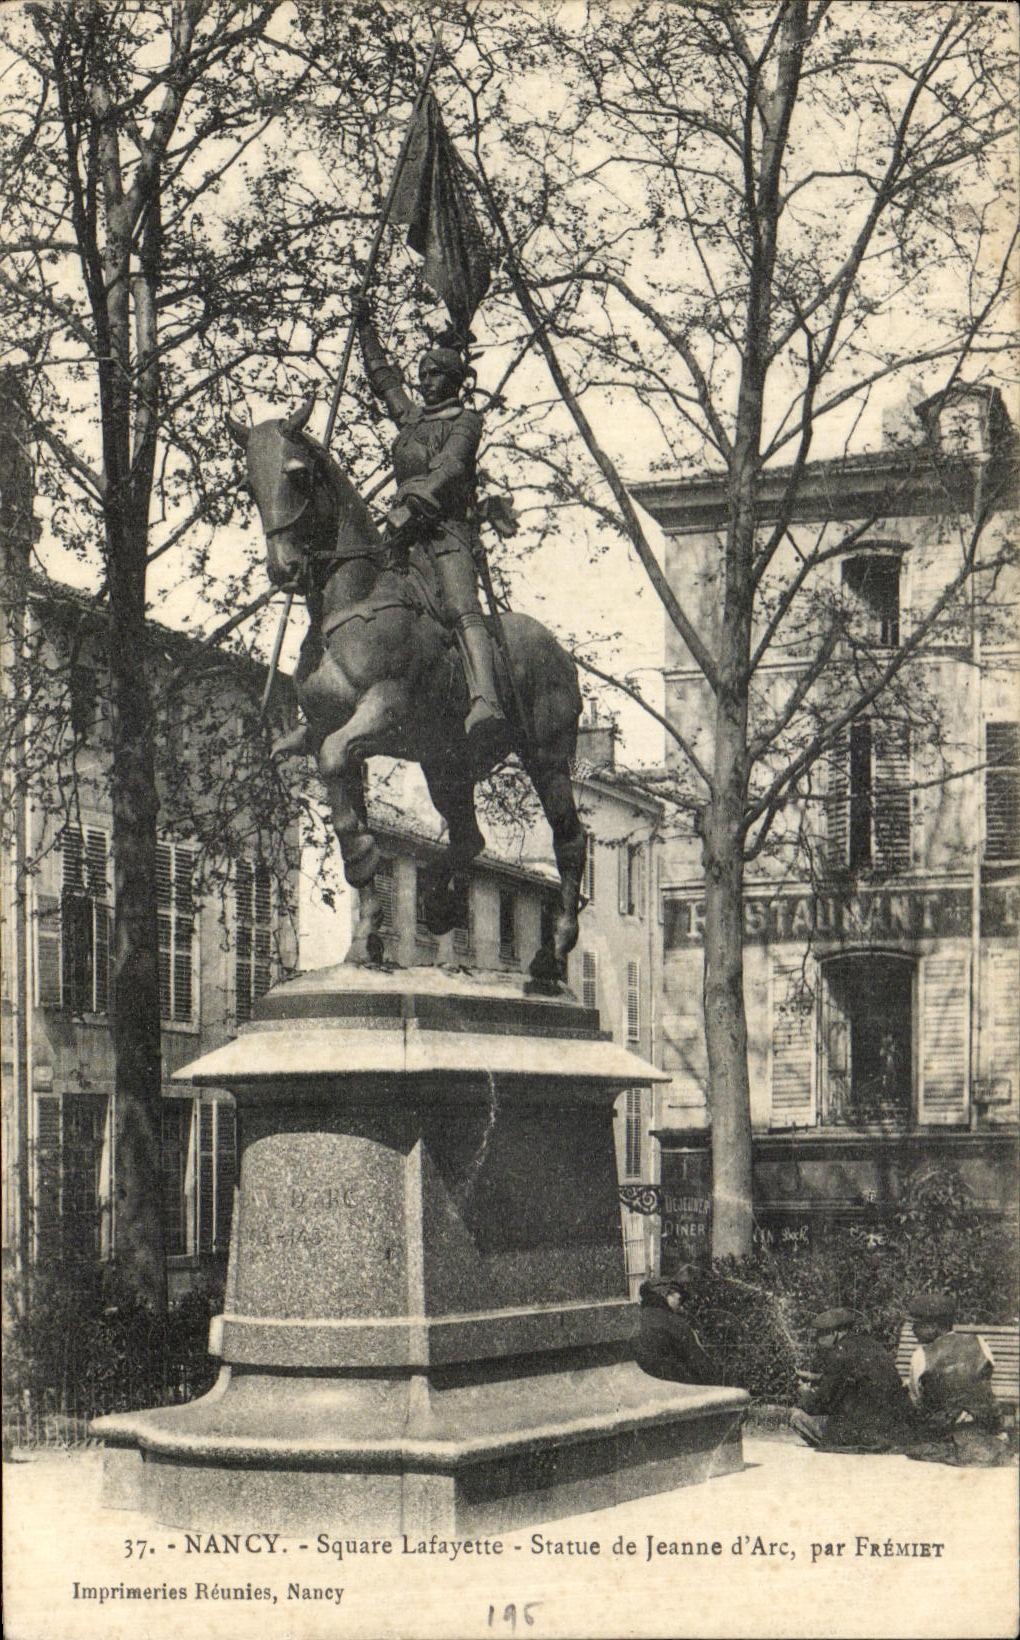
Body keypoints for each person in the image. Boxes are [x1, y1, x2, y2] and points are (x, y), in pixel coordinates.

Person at [353, 295, 508, 755]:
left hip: (446, 535)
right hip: (402, 538)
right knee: (361, 600)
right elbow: (385, 381)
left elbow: (452, 469)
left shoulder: (466, 420)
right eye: (422, 376)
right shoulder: (412, 419)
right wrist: (364, 327)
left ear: (456, 379)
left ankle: (486, 697)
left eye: (435, 374)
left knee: (462, 607)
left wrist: (415, 502)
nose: (425, 383)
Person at [905, 1292, 1009, 1467]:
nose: (913, 1330)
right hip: (985, 1424)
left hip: (945, 1431)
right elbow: (986, 1380)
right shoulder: (979, 1342)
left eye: (917, 1325)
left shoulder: (921, 1355)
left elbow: (917, 1399)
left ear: (934, 1326)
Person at [790, 1308, 912, 1453]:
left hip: (861, 1434)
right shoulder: (872, 1344)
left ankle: (836, 1445)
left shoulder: (839, 1352)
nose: (817, 1339)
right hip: (894, 1429)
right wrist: (815, 1377)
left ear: (835, 1333)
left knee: (796, 1416)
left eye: (821, 1334)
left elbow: (823, 1401)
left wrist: (804, 1394)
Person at [634, 1268, 716, 1385]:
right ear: (666, 1294)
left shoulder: (643, 1316)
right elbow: (702, 1365)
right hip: (681, 1386)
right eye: (680, 1299)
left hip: (650, 1383)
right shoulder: (674, 1323)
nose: (681, 1305)